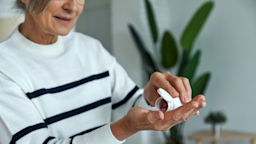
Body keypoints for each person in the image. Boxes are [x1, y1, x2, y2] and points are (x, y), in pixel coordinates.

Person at [0, 0, 206, 143]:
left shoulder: (91, 48)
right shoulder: (5, 68)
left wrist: (154, 99)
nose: (72, 6)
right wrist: (125, 128)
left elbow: (132, 103)